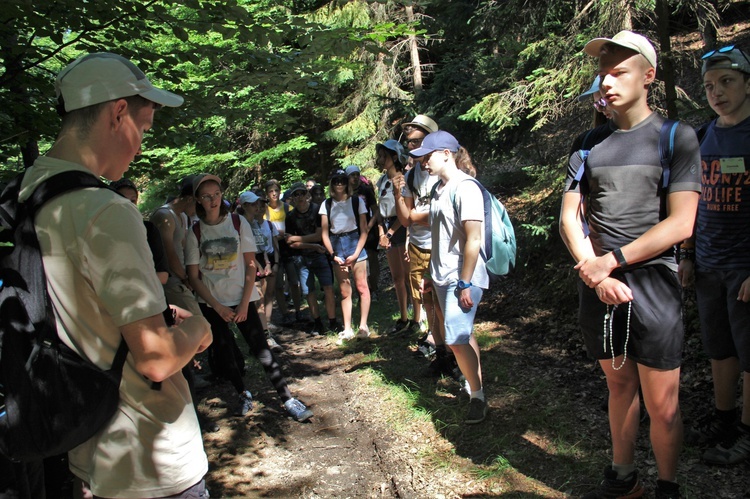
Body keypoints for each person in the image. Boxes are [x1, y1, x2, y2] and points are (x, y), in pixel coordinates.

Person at [18, 52, 213, 498]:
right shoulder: (105, 210)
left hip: (87, 449)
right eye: (143, 130)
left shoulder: (28, 195)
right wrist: (200, 326)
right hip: (152, 458)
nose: (142, 145)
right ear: (118, 112)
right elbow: (156, 358)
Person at [559, 31, 701, 498]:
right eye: (603, 72)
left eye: (619, 71)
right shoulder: (586, 143)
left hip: (652, 285)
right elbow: (569, 218)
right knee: (619, 387)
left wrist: (610, 263)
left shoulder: (675, 137)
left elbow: (681, 223)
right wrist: (592, 270)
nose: (608, 81)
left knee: (662, 405)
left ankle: (668, 486)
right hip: (597, 284)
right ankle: (623, 478)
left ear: (649, 75)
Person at [186, 174, 313, 422]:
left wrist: (244, 303)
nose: (213, 200)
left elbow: (250, 266)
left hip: (241, 297)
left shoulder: (237, 223)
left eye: (217, 194)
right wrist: (218, 307)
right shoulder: (195, 232)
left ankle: (288, 399)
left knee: (262, 350)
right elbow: (194, 277)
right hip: (212, 304)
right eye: (206, 196)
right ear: (198, 200)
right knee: (225, 353)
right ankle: (243, 393)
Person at [678, 45, 750, 465]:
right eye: (708, 86)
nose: (717, 92)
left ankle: (746, 432)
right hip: (707, 262)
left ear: (746, 83)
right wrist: (687, 253)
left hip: (744, 267)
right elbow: (695, 201)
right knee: (720, 348)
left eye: (726, 82)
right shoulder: (704, 135)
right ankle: (724, 421)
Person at [409, 131, 490, 425]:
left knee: (455, 339)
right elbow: (439, 237)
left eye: (426, 156)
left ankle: (477, 396)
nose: (422, 163)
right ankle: (474, 386)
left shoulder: (465, 187)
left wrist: (465, 282)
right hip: (443, 277)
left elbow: (474, 238)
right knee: (463, 334)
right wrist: (432, 274)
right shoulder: (439, 189)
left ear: (446, 153)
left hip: (462, 278)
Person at [393, 114, 447, 365]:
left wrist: (416, 215)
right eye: (409, 143)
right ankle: (436, 342)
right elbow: (405, 219)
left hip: (441, 244)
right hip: (417, 245)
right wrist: (397, 192)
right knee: (424, 297)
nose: (411, 147)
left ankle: (447, 347)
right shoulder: (412, 174)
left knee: (443, 299)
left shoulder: (439, 169)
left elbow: (442, 214)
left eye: (416, 141)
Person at [320, 168, 371, 343]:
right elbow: (325, 234)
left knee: (362, 286)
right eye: (336, 181)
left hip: (355, 242)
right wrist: (333, 254)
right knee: (344, 290)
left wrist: (356, 253)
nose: (339, 183)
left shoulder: (357, 201)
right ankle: (347, 328)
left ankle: (363, 326)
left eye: (342, 180)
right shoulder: (326, 204)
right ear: (331, 184)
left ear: (347, 182)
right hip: (336, 246)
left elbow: (364, 230)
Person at [284, 182, 338, 336]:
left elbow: (319, 235)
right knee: (309, 292)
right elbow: (290, 244)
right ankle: (318, 322)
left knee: (328, 288)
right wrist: (311, 245)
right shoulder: (290, 217)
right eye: (296, 194)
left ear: (307, 194)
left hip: (320, 255)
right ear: (292, 198)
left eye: (302, 193)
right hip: (302, 258)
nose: (299, 197)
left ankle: (333, 321)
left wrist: (296, 239)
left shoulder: (316, 210)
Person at [375, 139, 417, 335]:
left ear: (394, 156)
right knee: (397, 277)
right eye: (380, 156)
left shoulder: (405, 179)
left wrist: (390, 233)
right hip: (387, 229)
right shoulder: (382, 181)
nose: (381, 160)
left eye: (384, 156)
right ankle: (403, 317)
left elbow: (406, 211)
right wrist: (382, 233)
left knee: (410, 277)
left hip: (401, 228)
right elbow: (379, 210)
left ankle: (417, 318)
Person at [150, 175, 202, 316]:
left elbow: (184, 247)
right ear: (190, 198)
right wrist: (185, 278)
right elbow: (168, 251)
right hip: (172, 282)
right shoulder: (164, 215)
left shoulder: (183, 216)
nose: (199, 209)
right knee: (198, 322)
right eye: (198, 203)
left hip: (181, 279)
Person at [238, 190, 283, 352]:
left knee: (261, 301)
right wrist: (257, 265)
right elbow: (244, 250)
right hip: (248, 264)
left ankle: (262, 337)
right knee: (258, 301)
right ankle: (264, 338)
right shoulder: (241, 223)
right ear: (244, 206)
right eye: (253, 204)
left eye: (258, 203)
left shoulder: (256, 223)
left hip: (260, 263)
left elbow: (263, 246)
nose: (257, 206)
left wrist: (267, 263)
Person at [265, 179, 303, 324]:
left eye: (276, 190)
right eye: (271, 191)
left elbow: (295, 226)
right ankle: (284, 313)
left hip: (289, 247)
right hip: (274, 249)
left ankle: (298, 311)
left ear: (280, 192)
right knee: (279, 284)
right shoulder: (264, 210)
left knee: (294, 281)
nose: (274, 194)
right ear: (267, 194)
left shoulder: (287, 208)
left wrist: (287, 234)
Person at [346, 165, 380, 299]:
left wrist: (370, 225)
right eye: (352, 175)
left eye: (356, 174)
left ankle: (375, 289)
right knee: (356, 261)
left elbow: (375, 209)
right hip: (353, 232)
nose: (355, 177)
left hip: (368, 230)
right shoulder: (345, 192)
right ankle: (361, 290)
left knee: (372, 259)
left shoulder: (365, 190)